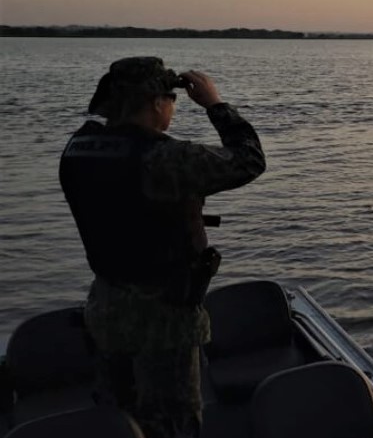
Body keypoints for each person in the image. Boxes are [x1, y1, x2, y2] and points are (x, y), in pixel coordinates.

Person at [59, 57, 266, 438]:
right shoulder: (164, 158)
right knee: (173, 424)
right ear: (156, 103)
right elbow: (249, 160)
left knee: (116, 420)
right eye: (172, 99)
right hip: (163, 321)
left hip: (106, 308)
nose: (172, 107)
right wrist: (215, 105)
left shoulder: (79, 147)